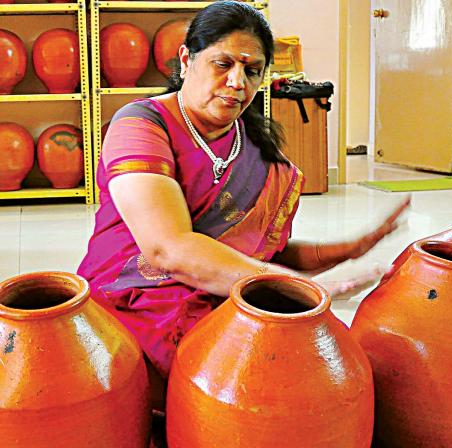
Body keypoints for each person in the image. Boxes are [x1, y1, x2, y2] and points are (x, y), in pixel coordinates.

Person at [78, 1, 409, 397]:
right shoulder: (140, 125)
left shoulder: (256, 149)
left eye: (252, 71)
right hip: (136, 295)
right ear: (187, 59)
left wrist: (347, 249)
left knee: (328, 364)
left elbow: (260, 257)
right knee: (238, 381)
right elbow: (168, 248)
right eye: (223, 64)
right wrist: (293, 286)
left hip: (224, 290)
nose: (239, 83)